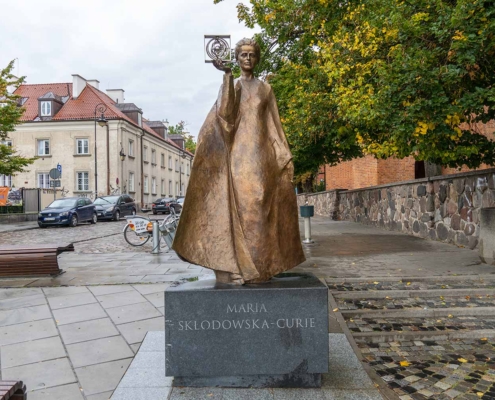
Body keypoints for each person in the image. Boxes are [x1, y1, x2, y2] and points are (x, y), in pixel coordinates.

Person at [173, 38, 305, 284]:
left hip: (263, 156)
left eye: (252, 54)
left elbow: (274, 125)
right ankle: (241, 268)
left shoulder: (266, 89)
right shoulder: (233, 86)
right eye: (243, 54)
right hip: (238, 157)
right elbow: (225, 116)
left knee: (263, 206)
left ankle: (262, 266)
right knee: (244, 207)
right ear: (237, 57)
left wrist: (283, 154)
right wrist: (225, 75)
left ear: (257, 58)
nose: (247, 58)